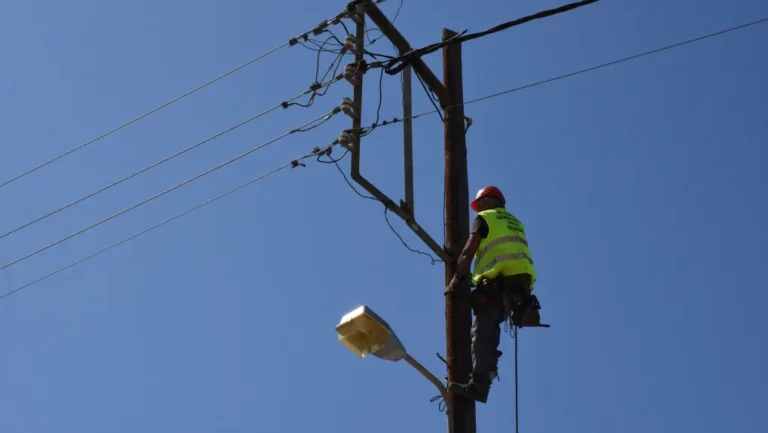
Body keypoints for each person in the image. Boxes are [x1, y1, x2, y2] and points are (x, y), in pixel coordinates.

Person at [445, 185, 544, 403]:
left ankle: (479, 385)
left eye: (479, 204)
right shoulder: (515, 222)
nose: (477, 208)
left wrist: (457, 278)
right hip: (520, 286)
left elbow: (471, 248)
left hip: (497, 284)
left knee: (481, 333)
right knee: (491, 330)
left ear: (489, 202)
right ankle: (487, 372)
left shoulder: (485, 218)